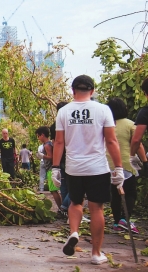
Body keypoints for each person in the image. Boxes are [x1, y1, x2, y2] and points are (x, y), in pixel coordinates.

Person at [52, 75, 124, 265]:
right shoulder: (103, 110)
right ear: (92, 91)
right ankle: (95, 253)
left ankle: (74, 232)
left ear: (73, 91)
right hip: (97, 168)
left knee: (76, 203)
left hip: (74, 168)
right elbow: (111, 140)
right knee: (96, 209)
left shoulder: (64, 112)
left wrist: (54, 168)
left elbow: (59, 142)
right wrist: (119, 167)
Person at [106, 98, 146, 234]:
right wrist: (144, 161)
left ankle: (117, 222)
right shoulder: (130, 124)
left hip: (109, 164)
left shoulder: (106, 126)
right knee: (130, 193)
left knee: (115, 194)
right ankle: (125, 219)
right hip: (126, 163)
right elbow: (137, 143)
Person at [50, 102, 71, 219]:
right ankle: (64, 206)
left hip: (60, 158)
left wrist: (55, 165)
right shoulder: (71, 123)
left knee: (64, 185)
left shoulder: (54, 125)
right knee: (74, 186)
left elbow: (55, 143)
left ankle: (65, 209)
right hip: (71, 158)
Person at [36, 126, 62, 211]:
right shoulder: (48, 144)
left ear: (42, 135)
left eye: (38, 136)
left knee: (53, 190)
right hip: (50, 169)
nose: (38, 138)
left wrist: (42, 156)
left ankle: (61, 209)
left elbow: (51, 157)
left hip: (51, 169)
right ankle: (62, 208)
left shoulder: (47, 145)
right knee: (54, 190)